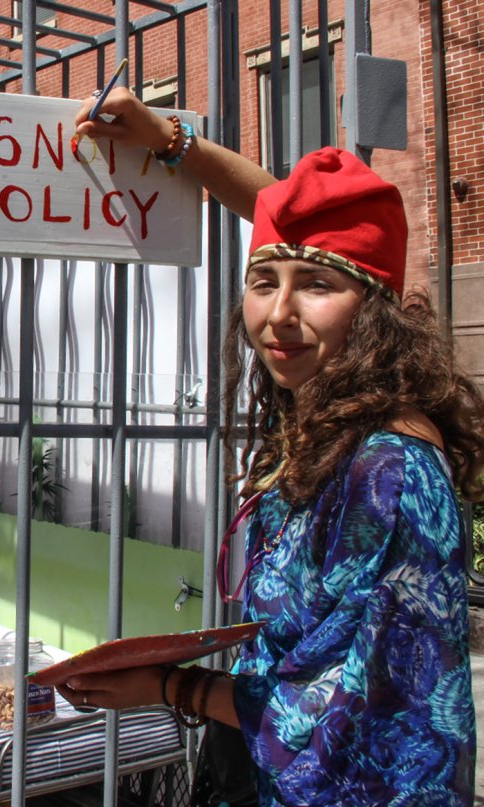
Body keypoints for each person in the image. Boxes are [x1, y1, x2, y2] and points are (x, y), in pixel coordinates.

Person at [56, 88, 483, 804]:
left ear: (374, 309)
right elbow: (294, 221)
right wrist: (171, 142)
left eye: (315, 286)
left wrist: (173, 684)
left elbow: (358, 712)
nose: (279, 314)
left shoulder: (390, 473)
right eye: (262, 282)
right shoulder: (327, 430)